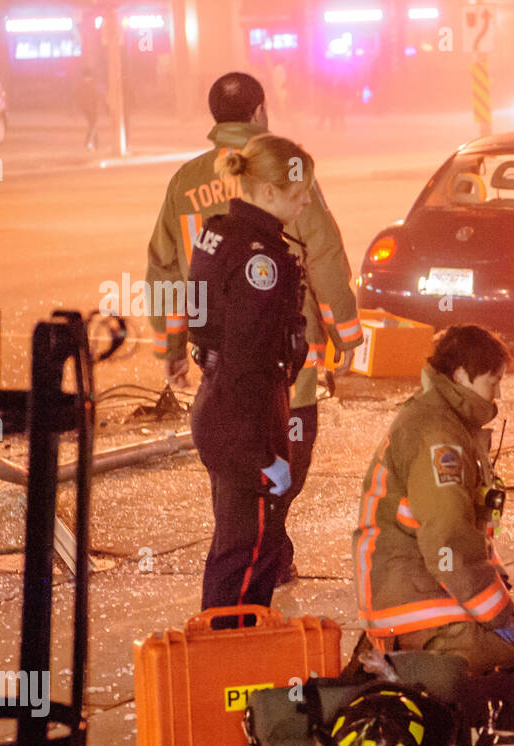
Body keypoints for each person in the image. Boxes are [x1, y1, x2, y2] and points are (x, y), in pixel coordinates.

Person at [146, 72, 361, 585]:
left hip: (218, 362)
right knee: (276, 476)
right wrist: (346, 335)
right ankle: (255, 576)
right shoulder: (282, 171)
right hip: (285, 366)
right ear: (261, 113)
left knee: (238, 480)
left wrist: (171, 344)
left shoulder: (185, 180)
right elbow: (325, 253)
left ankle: (259, 567)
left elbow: (164, 267)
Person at [353, 325, 514, 674]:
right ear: (462, 375)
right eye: (492, 382)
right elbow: (447, 537)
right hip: (415, 607)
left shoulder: (447, 421)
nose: (496, 393)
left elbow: (468, 530)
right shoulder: (439, 436)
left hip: (418, 593)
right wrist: (497, 613)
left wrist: (496, 589)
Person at [186, 134, 312, 611]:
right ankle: (232, 664)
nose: (304, 201)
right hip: (245, 419)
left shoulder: (219, 233)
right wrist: (260, 455)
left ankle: (224, 658)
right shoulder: (262, 258)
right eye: (298, 192)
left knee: (233, 549)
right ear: (266, 192)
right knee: (250, 555)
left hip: (216, 406)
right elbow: (248, 361)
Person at [76, 70, 101, 151]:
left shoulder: (91, 86)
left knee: (93, 125)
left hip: (92, 109)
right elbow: (82, 98)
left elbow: (97, 97)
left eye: (87, 77)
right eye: (85, 77)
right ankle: (90, 142)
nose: (86, 79)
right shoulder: (88, 86)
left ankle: (93, 143)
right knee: (93, 125)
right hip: (88, 110)